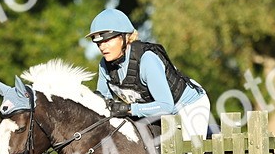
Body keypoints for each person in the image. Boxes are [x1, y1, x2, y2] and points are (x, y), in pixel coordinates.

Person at [87, 9, 212, 140]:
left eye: (107, 41)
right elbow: (103, 103)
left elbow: (165, 106)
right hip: (154, 113)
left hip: (187, 107)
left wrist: (128, 108)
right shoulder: (104, 65)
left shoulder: (147, 60)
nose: (102, 47)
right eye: (99, 43)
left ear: (124, 37)